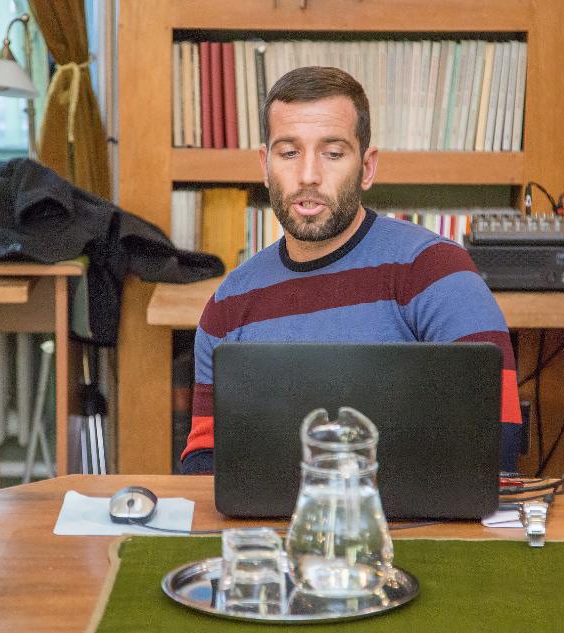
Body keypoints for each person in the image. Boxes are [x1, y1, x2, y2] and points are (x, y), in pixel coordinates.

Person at [181, 66, 521, 474]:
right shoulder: (228, 304)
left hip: (406, 516)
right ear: (265, 165)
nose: (308, 176)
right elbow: (204, 460)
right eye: (288, 153)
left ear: (367, 167)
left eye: (333, 153)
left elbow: (495, 438)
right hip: (273, 516)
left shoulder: (435, 271)